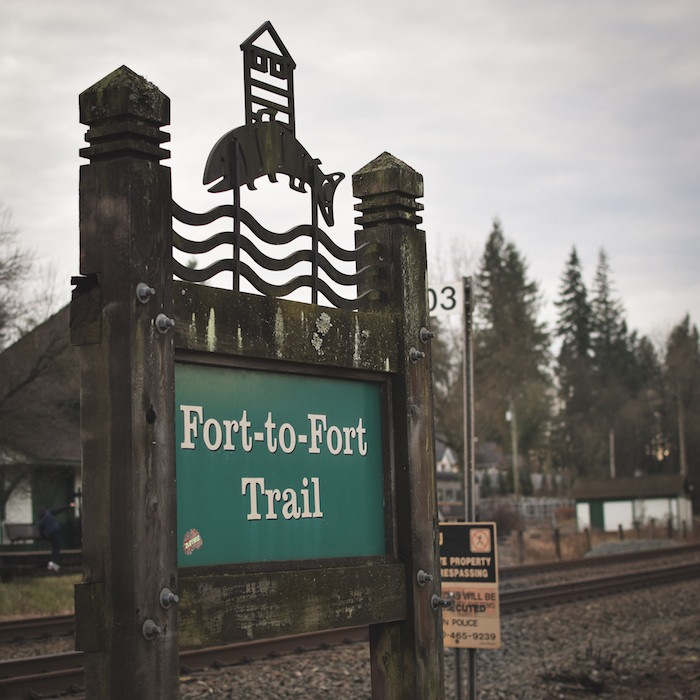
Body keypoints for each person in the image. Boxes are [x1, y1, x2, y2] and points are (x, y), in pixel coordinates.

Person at [37, 503, 73, 572]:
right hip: (55, 531)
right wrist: (68, 506)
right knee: (57, 547)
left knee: (54, 547)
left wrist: (45, 538)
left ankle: (53, 563)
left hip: (49, 534)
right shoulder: (49, 513)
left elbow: (41, 532)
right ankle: (53, 562)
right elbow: (59, 510)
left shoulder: (40, 521)